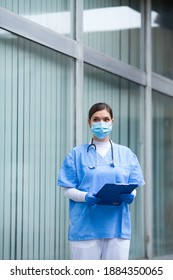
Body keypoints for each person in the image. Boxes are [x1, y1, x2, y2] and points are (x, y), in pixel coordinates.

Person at [57, 102, 145, 260]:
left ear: (112, 121)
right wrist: (85, 197)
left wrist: (131, 194)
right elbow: (67, 190)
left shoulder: (126, 154)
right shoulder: (76, 155)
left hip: (117, 227)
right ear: (89, 122)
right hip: (85, 227)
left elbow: (132, 185)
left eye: (106, 119)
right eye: (96, 119)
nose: (101, 123)